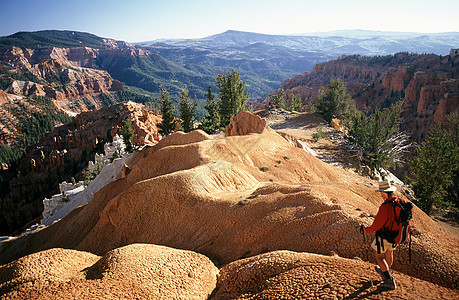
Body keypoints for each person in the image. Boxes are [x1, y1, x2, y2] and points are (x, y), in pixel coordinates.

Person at [361, 181, 401, 290]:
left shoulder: (385, 206)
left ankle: (388, 280)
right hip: (396, 235)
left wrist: (366, 230)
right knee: (389, 252)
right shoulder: (398, 203)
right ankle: (385, 271)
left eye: (381, 192)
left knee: (379, 257)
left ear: (384, 192)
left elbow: (377, 224)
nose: (380, 194)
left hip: (385, 235)